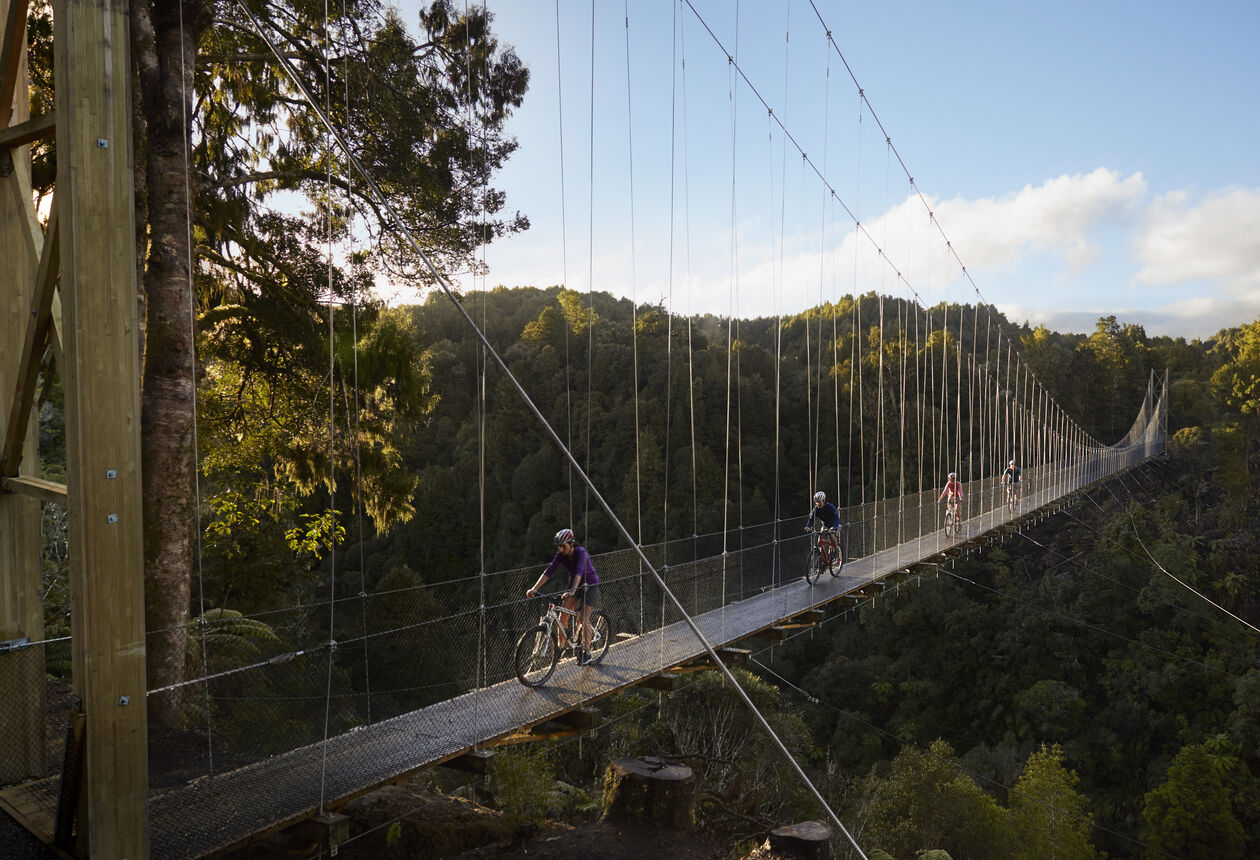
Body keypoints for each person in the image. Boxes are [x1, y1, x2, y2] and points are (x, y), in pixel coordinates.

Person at [526, 528, 600, 665]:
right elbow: (549, 570)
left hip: (590, 586)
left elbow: (578, 572)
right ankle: (562, 648)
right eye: (559, 546)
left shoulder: (580, 552)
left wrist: (572, 590)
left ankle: (587, 653)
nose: (561, 549)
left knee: (583, 619)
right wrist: (534, 588)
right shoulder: (561, 554)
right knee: (562, 617)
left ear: (571, 544)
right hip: (575, 585)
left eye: (563, 546)